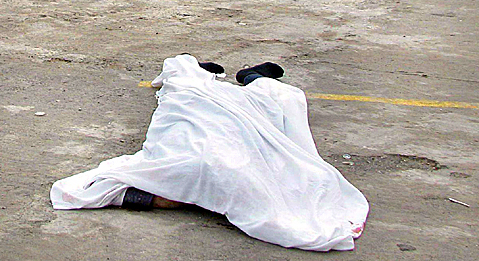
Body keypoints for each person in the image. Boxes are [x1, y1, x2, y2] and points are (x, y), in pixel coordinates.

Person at [50, 54, 369, 252]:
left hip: (197, 125)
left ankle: (207, 72)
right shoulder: (217, 177)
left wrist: (151, 199)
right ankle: (253, 78)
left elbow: (88, 190)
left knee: (183, 89)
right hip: (216, 131)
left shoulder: (177, 169)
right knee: (282, 102)